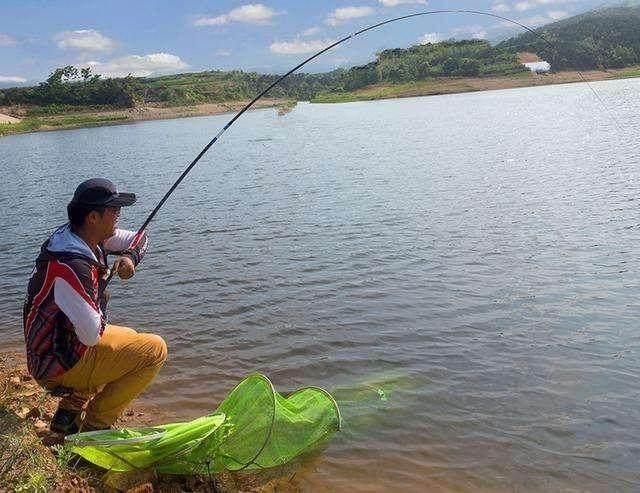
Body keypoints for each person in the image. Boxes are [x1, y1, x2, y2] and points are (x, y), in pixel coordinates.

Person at [23, 178, 167, 434]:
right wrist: (99, 296)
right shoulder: (71, 267)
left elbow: (139, 238)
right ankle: (95, 426)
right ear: (93, 217)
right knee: (155, 351)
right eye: (114, 210)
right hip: (54, 365)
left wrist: (130, 257)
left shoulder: (77, 237)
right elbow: (90, 335)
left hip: (51, 352)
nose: (119, 215)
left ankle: (68, 413)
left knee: (132, 339)